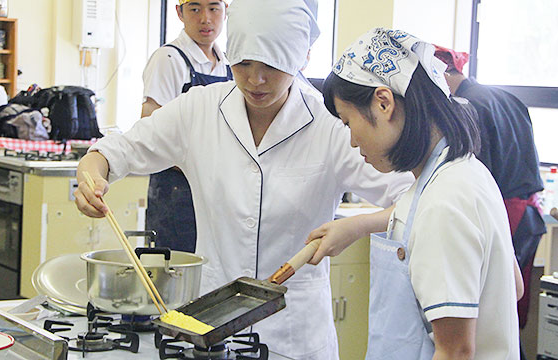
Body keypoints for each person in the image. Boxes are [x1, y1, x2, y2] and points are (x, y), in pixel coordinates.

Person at [74, 2, 414, 358]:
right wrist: (91, 175)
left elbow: (415, 196)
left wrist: (359, 226)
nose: (255, 80)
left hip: (294, 332)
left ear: (302, 58)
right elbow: (116, 151)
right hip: (211, 327)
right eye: (243, 63)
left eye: (271, 65)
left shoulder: (330, 126)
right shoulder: (199, 110)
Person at [307, 28, 520, 359]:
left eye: (349, 123)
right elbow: (513, 286)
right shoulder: (464, 173)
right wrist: (357, 225)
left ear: (383, 103)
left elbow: (455, 352)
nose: (352, 141)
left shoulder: (443, 203)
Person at [433, 45, 545, 334]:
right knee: (511, 303)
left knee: (494, 307)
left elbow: (473, 171)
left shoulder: (465, 106)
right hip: (530, 210)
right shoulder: (505, 96)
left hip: (505, 210)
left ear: (443, 73)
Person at [142, 0, 232, 253]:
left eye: (214, 9)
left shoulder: (229, 64)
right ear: (179, 13)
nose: (205, 18)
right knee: (177, 277)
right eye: (195, 9)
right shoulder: (168, 58)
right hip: (176, 194)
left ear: (226, 12)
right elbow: (151, 128)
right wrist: (195, 165)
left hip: (218, 191)